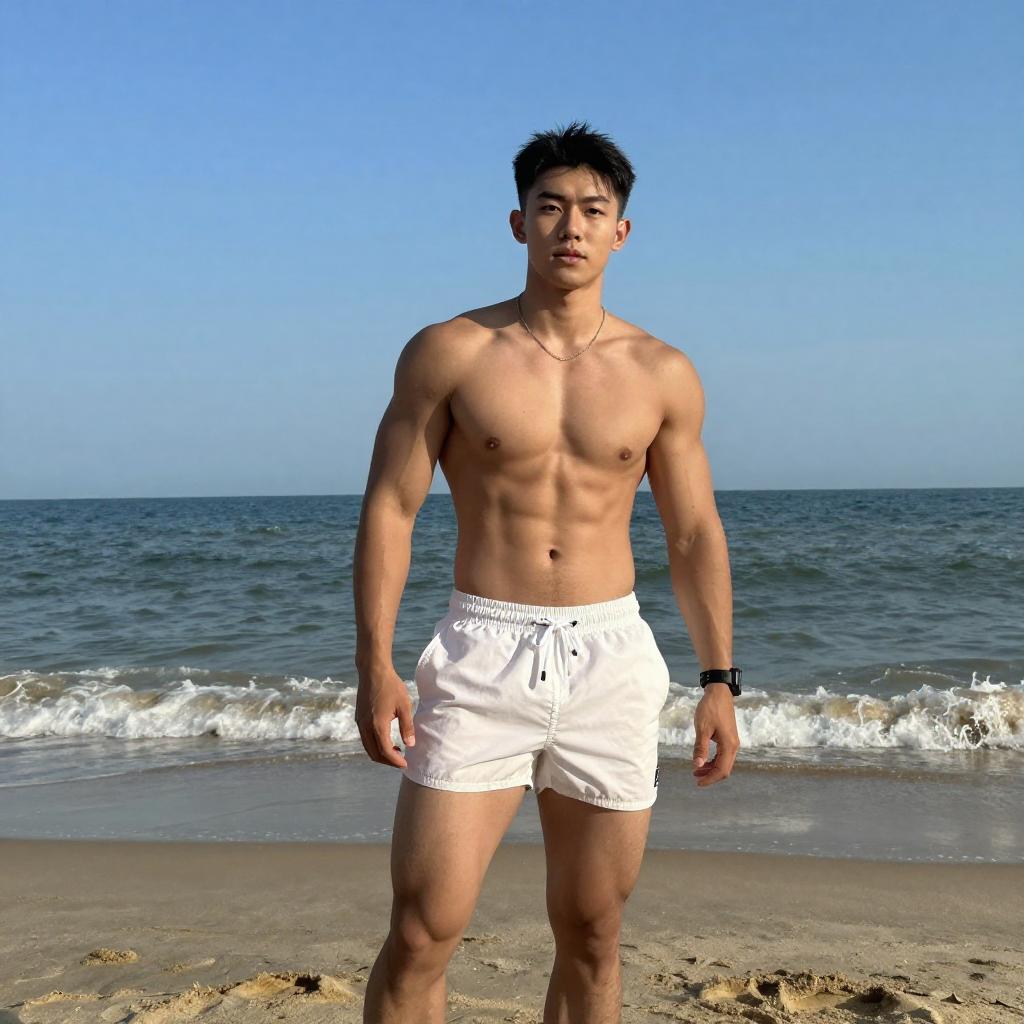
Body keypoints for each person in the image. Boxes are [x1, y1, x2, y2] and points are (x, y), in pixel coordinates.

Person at [354, 119, 741, 1024]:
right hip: (482, 647)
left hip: (609, 653)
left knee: (594, 931)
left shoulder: (662, 373)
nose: (571, 225)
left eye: (592, 210)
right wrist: (376, 663)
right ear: (518, 222)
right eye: (551, 206)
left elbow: (692, 534)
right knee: (422, 930)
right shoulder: (450, 353)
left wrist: (719, 679)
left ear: (621, 232)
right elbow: (390, 508)